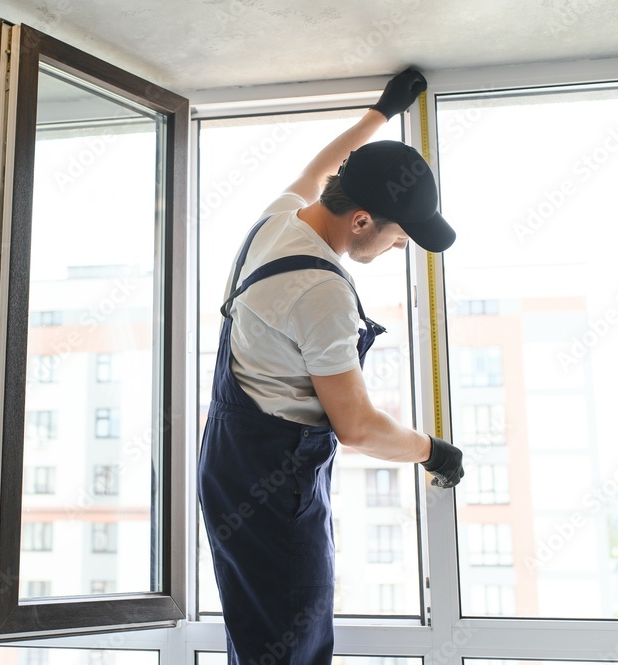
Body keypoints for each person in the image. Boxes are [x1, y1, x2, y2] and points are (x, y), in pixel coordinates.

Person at [196, 68, 465, 665]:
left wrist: (383, 112)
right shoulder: (321, 294)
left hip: (231, 462)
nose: (402, 248)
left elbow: (323, 168)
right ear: (364, 219)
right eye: (402, 237)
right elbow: (359, 427)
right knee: (293, 645)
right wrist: (433, 451)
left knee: (265, 635)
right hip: (272, 493)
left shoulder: (279, 220)